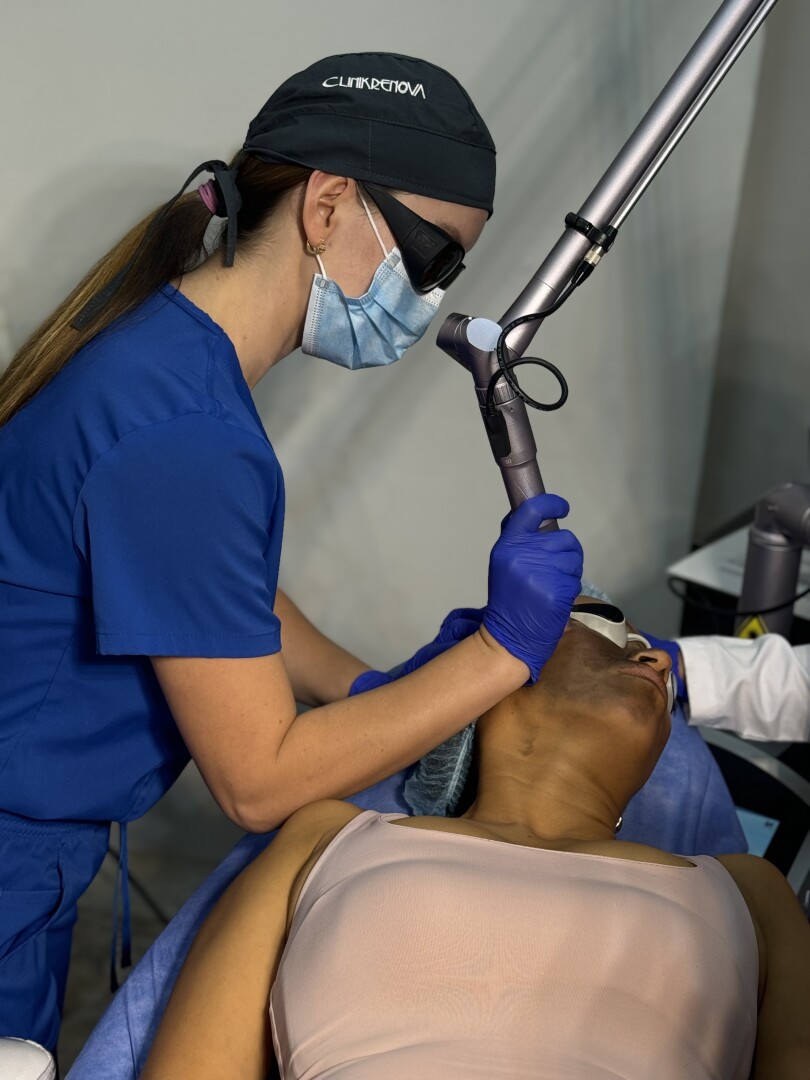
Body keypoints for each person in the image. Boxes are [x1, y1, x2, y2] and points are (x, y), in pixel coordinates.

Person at [0, 53, 585, 1051]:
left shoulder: (163, 355)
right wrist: (502, 655)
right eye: (431, 257)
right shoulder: (187, 432)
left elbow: (212, 591)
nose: (429, 298)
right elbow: (259, 781)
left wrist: (367, 689)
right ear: (326, 203)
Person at [137, 597, 810, 1080]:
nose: (654, 658)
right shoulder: (321, 838)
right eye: (607, 624)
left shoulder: (755, 894)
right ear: (479, 676)